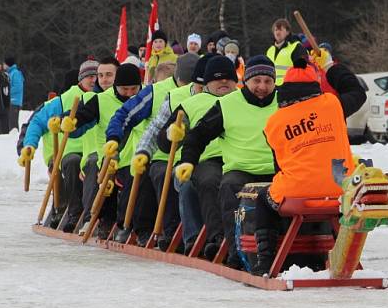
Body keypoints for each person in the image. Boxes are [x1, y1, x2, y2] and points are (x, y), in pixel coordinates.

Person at [249, 50, 366, 276]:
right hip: (341, 191)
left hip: (296, 194)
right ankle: (341, 255)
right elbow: (357, 92)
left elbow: (279, 167)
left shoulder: (274, 122)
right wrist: (330, 66)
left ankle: (265, 264)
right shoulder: (333, 105)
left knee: (264, 200)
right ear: (315, 86)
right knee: (338, 205)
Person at [176, 55, 277, 266]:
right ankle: (236, 252)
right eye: (256, 81)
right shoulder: (228, 104)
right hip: (241, 170)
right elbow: (198, 135)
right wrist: (188, 160)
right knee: (227, 186)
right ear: (246, 81)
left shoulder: (283, 100)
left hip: (278, 168)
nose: (262, 86)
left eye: (268, 81)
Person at [102, 53, 198, 245]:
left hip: (195, 157)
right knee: (156, 174)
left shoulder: (209, 92)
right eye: (185, 82)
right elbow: (124, 116)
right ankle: (146, 228)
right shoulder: (155, 92)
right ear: (178, 78)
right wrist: (114, 137)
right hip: (159, 154)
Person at [157, 56, 238, 255]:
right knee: (209, 181)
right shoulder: (192, 104)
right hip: (205, 159)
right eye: (218, 79)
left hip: (239, 159)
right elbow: (163, 142)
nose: (224, 82)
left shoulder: (243, 99)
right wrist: (172, 134)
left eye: (228, 78)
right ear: (207, 81)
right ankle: (212, 239)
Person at [135, 53, 215, 250]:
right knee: (169, 177)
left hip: (211, 158)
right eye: (197, 84)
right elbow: (155, 129)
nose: (200, 89)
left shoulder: (226, 96)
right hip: (176, 157)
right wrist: (144, 151)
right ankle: (172, 231)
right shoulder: (176, 97)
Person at [19, 58, 98, 232]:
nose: (93, 80)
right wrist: (29, 146)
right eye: (89, 76)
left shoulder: (102, 96)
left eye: (96, 76)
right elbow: (37, 122)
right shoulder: (64, 100)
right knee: (72, 162)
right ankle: (72, 210)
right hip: (66, 151)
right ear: (80, 79)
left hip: (93, 148)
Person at [64, 63, 142, 239]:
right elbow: (83, 116)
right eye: (124, 89)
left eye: (134, 89)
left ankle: (138, 227)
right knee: (102, 173)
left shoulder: (145, 98)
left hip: (139, 157)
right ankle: (100, 220)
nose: (130, 94)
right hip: (109, 157)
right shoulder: (100, 100)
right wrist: (70, 122)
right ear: (117, 86)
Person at [77, 56, 120, 234]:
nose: (104, 79)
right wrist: (68, 122)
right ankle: (90, 216)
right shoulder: (92, 99)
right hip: (96, 152)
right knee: (94, 164)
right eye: (100, 75)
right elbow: (80, 119)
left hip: (124, 152)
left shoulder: (132, 97)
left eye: (109, 75)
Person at [265, 18, 307, 86]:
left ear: (287, 32)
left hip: (290, 89)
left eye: (280, 30)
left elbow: (301, 72)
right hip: (272, 90)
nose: (277, 32)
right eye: (276, 30)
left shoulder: (296, 47)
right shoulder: (270, 50)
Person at [5, 56, 24, 131]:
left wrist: (7, 92)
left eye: (4, 64)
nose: (3, 66)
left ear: (8, 64)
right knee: (10, 122)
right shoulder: (10, 73)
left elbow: (17, 86)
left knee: (13, 123)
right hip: (11, 100)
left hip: (14, 101)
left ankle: (14, 137)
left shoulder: (15, 73)